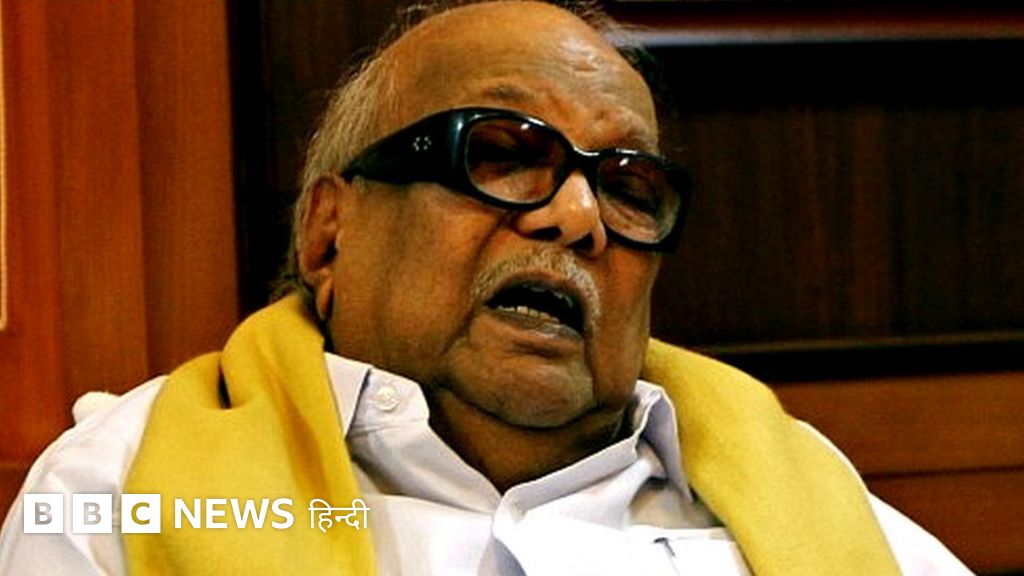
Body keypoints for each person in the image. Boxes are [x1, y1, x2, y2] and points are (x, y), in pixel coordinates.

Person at [0, 1, 973, 574]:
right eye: (502, 153)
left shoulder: (802, 494)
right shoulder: (118, 487)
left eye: (630, 187)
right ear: (330, 232)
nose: (579, 217)